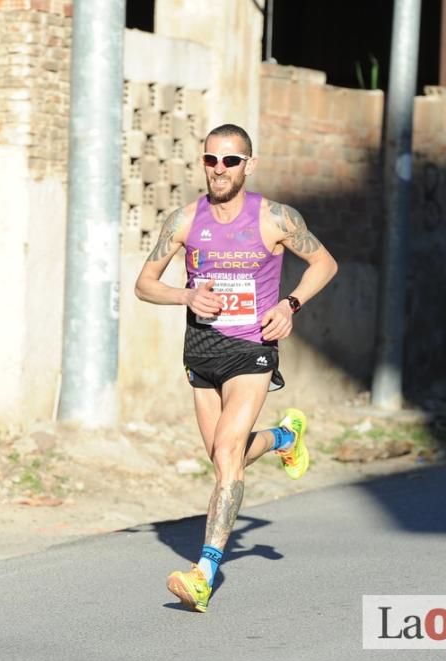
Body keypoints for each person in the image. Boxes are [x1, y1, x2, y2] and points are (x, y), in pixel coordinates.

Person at [134, 123, 338, 611]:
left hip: (253, 349)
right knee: (225, 456)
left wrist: (289, 305)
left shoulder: (275, 218)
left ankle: (204, 573)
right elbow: (144, 284)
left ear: (249, 164)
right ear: (202, 163)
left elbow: (325, 264)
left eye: (230, 161)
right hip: (201, 350)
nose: (219, 169)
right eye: (211, 160)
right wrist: (186, 294)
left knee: (226, 455)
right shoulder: (184, 221)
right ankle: (284, 438)